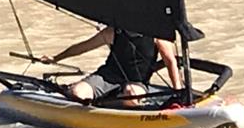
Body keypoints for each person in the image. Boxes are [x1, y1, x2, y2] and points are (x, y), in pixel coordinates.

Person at [40, 26, 182, 106]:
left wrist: (178, 92)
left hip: (136, 82)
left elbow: (171, 62)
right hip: (108, 77)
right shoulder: (113, 32)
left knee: (131, 93)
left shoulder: (157, 36)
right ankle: (96, 96)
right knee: (78, 93)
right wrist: (56, 58)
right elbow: (82, 47)